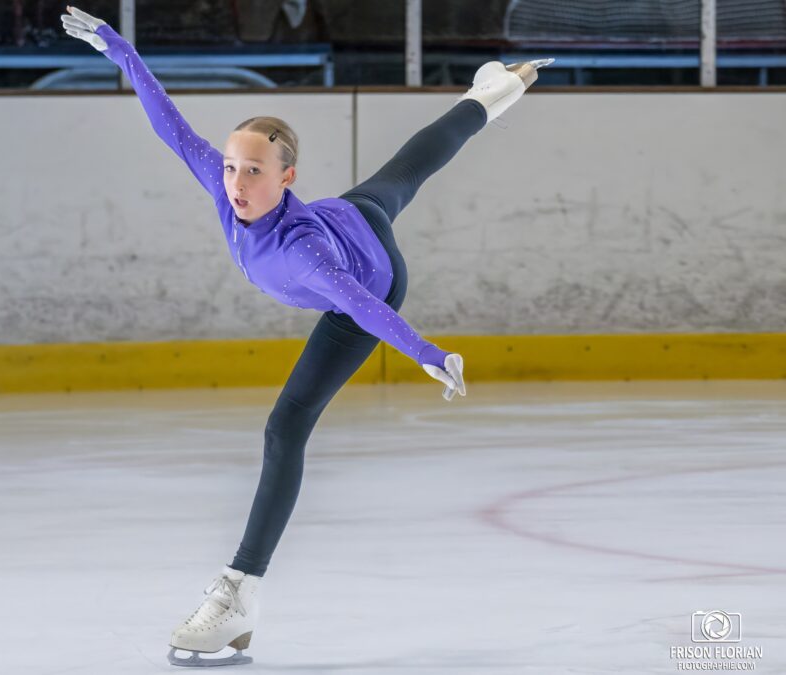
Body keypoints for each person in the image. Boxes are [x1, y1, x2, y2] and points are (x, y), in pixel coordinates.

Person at [60, 6, 550, 667]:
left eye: (255, 172)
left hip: (372, 283)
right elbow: (167, 120)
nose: (237, 182)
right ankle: (495, 90)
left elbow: (361, 307)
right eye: (233, 166)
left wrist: (429, 354)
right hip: (354, 211)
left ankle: (239, 592)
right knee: (413, 163)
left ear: (287, 177)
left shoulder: (305, 255)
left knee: (285, 425)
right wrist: (113, 43)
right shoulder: (222, 182)